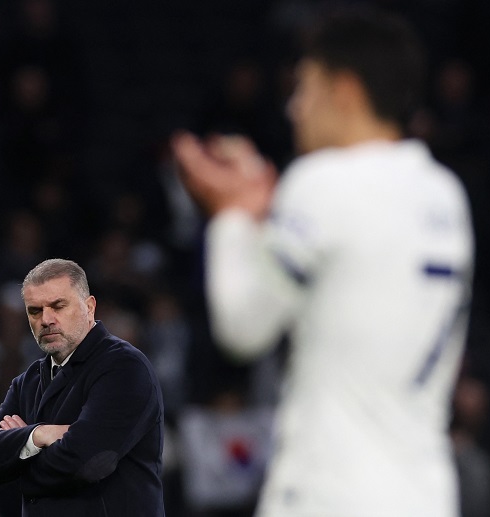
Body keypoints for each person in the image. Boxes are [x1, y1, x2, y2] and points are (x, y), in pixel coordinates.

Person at [171, 7, 474, 517]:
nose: (294, 108)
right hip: (424, 494)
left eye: (304, 88)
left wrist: (232, 217)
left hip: (329, 493)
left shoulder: (322, 181)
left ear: (345, 91)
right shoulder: (445, 194)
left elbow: (243, 327)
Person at [0, 258, 166, 516]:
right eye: (34, 311)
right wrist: (38, 435)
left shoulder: (124, 367)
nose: (46, 319)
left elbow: (88, 463)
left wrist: (19, 462)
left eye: (58, 306)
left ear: (89, 307)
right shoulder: (29, 381)